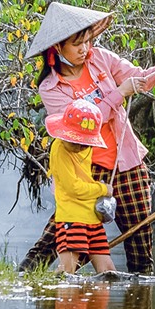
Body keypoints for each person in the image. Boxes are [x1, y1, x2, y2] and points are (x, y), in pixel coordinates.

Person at [20, 2, 155, 274]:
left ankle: (137, 303)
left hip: (126, 161)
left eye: (87, 40)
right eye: (77, 44)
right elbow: (83, 124)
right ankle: (25, 278)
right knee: (59, 235)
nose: (84, 49)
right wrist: (119, 93)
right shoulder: (50, 87)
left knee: (139, 239)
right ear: (57, 48)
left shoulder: (100, 59)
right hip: (85, 166)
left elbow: (142, 77)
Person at [46, 96, 117, 277]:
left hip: (92, 218)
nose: (79, 147)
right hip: (72, 218)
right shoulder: (60, 149)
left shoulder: (86, 148)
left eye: (84, 143)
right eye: (75, 141)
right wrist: (102, 189)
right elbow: (74, 188)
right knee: (67, 272)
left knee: (108, 272)